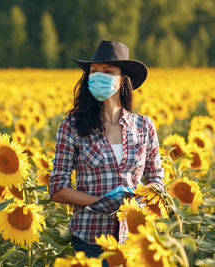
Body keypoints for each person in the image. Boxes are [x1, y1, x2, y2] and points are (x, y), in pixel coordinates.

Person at [48, 40, 165, 264]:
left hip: (134, 239)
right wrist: (102, 202)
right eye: (94, 71)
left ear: (122, 80)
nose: (98, 76)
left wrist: (135, 199)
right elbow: (57, 189)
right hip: (90, 239)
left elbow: (157, 181)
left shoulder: (144, 126)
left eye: (108, 71)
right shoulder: (72, 126)